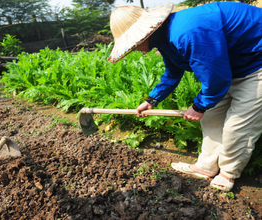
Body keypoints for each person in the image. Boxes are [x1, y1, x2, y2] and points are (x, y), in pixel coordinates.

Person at [107, 2, 262, 191]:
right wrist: (152, 101)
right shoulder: (164, 38)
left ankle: (228, 173)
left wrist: (198, 106)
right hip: (234, 65)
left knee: (238, 125)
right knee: (212, 117)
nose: (135, 49)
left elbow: (217, 77)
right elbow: (173, 71)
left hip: (257, 64)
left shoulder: (187, 32)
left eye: (133, 44)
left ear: (143, 34)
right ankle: (207, 166)